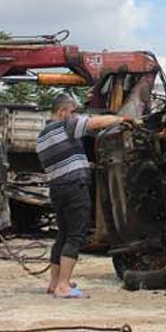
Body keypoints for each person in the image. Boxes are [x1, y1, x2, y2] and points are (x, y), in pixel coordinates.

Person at [36, 93, 130, 298]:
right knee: (76, 236)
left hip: (57, 188)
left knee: (63, 235)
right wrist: (122, 118)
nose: (74, 115)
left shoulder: (42, 135)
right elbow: (96, 123)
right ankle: (63, 286)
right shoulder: (66, 125)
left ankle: (55, 282)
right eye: (72, 111)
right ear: (62, 111)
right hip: (74, 187)